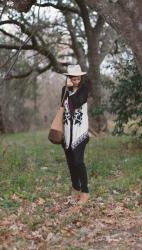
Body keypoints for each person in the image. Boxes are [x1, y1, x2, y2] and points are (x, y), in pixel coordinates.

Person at [61, 64, 90, 204]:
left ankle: (85, 192)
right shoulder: (64, 90)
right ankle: (75, 188)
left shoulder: (84, 89)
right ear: (68, 78)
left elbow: (77, 103)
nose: (76, 81)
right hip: (67, 132)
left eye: (78, 79)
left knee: (79, 162)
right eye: (73, 79)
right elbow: (62, 107)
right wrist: (67, 89)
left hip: (80, 132)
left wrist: (71, 90)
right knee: (71, 163)